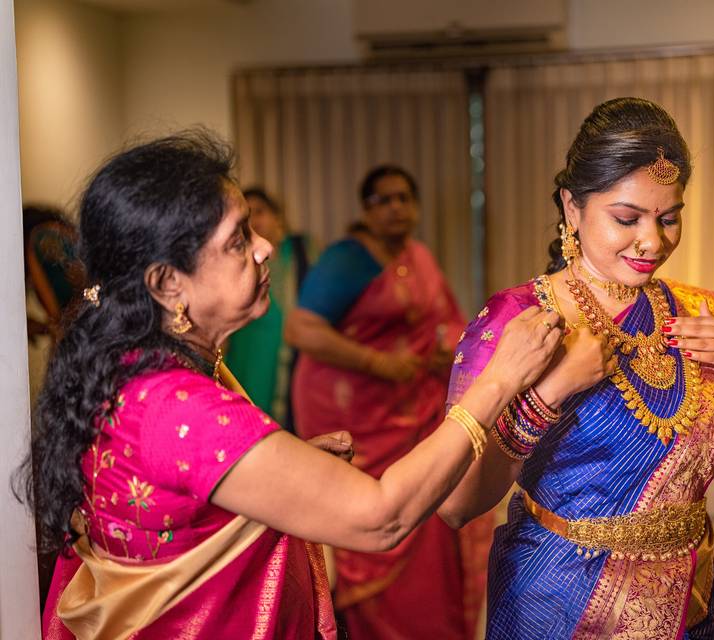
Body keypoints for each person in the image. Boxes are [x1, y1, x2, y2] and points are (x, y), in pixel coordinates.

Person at [16, 132, 606, 639]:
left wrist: (275, 472)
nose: (268, 247)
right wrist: (502, 381)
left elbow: (182, 501)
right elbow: (382, 519)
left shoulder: (142, 369)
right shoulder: (177, 406)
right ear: (169, 284)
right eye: (239, 240)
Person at [438, 98, 714, 639]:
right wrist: (545, 397)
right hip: (557, 606)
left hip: (689, 610)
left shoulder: (702, 313)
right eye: (626, 218)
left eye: (669, 218)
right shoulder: (519, 320)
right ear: (572, 209)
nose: (653, 241)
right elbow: (457, 505)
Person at [284, 165, 495, 638]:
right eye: (384, 200)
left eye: (404, 198)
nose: (397, 208)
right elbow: (302, 330)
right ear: (366, 209)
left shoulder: (417, 255)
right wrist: (378, 364)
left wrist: (447, 351)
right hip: (357, 413)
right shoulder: (347, 260)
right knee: (375, 516)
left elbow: (446, 319)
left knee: (428, 508)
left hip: (413, 408)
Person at [224, 187, 314, 429]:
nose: (255, 221)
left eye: (261, 212)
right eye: (247, 216)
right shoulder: (232, 261)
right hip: (247, 351)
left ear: (278, 217)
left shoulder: (299, 253)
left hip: (292, 352)